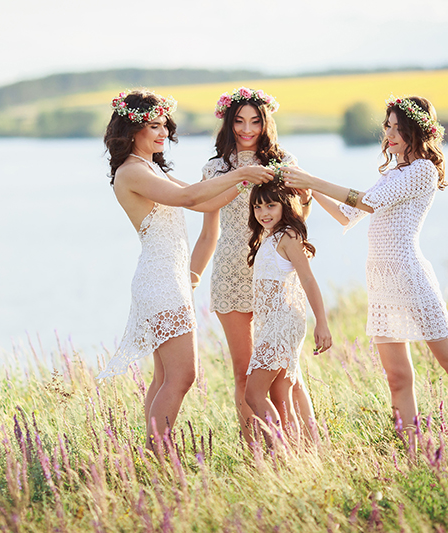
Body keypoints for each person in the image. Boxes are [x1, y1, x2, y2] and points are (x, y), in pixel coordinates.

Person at [283, 95, 448, 431]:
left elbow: (369, 202)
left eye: (399, 128)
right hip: (382, 282)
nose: (390, 133)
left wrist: (311, 180)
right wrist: (309, 189)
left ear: (418, 131)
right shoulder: (393, 173)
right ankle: (412, 451)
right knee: (397, 377)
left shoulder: (423, 170)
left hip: (409, 277)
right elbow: (347, 214)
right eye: (387, 126)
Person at [99, 90, 273, 448]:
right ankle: (158, 456)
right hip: (160, 280)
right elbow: (188, 198)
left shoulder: (150, 168)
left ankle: (154, 459)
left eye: (165, 126)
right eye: (154, 126)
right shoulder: (131, 171)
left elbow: (204, 200)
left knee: (164, 376)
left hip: (169, 279)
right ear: (131, 129)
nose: (163, 133)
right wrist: (241, 173)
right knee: (182, 376)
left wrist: (243, 180)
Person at [190, 87, 317, 442]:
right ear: (228, 123)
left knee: (287, 374)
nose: (247, 129)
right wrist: (190, 283)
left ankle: (308, 452)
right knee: (244, 373)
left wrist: (307, 198)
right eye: (240, 121)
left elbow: (298, 220)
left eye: (255, 121)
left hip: (275, 274)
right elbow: (208, 234)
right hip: (231, 274)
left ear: (266, 123)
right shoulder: (215, 169)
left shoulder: (283, 161)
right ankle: (258, 454)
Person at [244, 181, 332, 445]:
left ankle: (279, 454)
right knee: (282, 398)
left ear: (284, 205)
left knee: (253, 395)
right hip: (272, 323)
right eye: (257, 207)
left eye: (271, 205)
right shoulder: (269, 237)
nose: (263, 213)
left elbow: (308, 279)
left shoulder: (288, 236)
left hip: (282, 323)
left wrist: (322, 322)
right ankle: (296, 458)